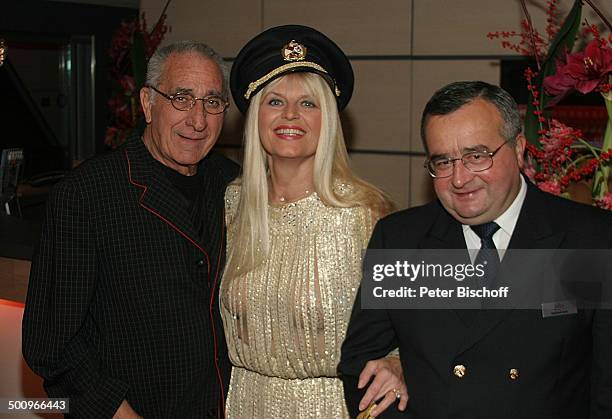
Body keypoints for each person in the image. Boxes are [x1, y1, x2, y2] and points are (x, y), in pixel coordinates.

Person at [339, 81, 612, 418]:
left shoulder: (590, 239)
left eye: (476, 156)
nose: (459, 179)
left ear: (519, 148)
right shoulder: (400, 240)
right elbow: (360, 365)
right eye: (442, 162)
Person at [22, 41, 239, 418]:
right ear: (147, 103)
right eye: (182, 98)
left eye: (212, 102)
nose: (198, 120)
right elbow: (50, 342)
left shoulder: (234, 185)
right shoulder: (87, 194)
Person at [220, 25, 407, 418]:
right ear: (254, 116)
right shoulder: (230, 205)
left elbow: (418, 327)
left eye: (308, 103)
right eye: (274, 101)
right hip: (242, 404)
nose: (290, 115)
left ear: (329, 120)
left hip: (334, 408)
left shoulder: (366, 213)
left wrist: (398, 363)